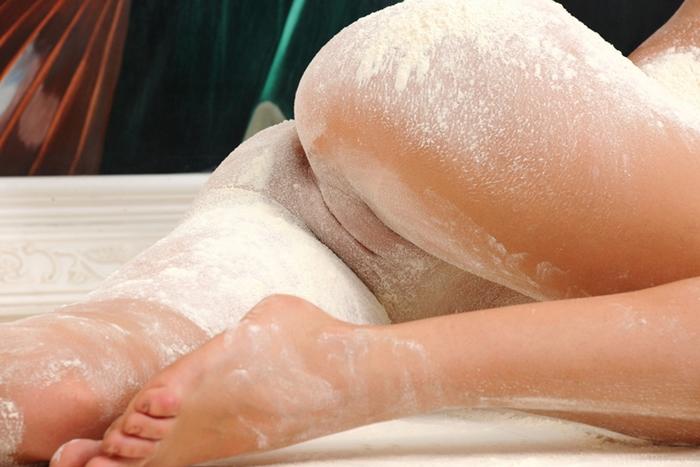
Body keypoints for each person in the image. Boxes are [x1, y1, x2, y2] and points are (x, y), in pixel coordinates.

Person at [0, 0, 698, 465]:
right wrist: (360, 370)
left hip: (379, 175)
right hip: (484, 121)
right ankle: (342, 366)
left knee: (55, 376)